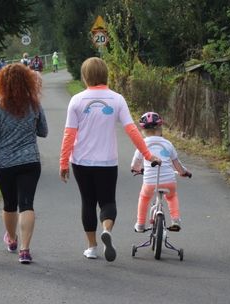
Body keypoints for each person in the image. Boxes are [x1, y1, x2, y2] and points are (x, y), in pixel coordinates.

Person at [59, 57, 160, 261]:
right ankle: (107, 230)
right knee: (107, 201)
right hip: (107, 161)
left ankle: (92, 247)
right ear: (105, 75)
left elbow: (69, 134)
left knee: (88, 202)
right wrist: (148, 155)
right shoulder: (117, 99)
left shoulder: (76, 100)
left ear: (85, 76)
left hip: (81, 161)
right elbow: (132, 130)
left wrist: (63, 163)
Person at [0, 63, 48, 264]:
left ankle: (11, 239)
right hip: (30, 161)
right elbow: (43, 131)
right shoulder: (34, 104)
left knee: (9, 204)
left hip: (5, 163)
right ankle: (25, 249)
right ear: (27, 81)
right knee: (26, 204)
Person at [130, 112, 191, 233]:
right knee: (172, 196)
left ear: (142, 130)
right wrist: (185, 172)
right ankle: (175, 220)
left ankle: (141, 224)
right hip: (169, 181)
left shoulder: (142, 145)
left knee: (144, 197)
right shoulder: (168, 144)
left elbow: (135, 165)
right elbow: (177, 165)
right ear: (160, 128)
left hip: (150, 183)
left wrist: (137, 169)